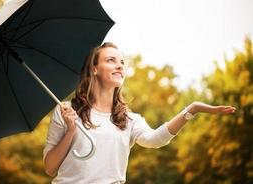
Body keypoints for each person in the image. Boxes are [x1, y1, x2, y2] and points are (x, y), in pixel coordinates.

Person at [43, 42, 236, 184]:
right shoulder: (66, 111)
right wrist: (70, 131)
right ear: (94, 69)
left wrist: (191, 109)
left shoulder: (128, 119)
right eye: (111, 60)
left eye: (122, 62)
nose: (120, 66)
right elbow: (50, 168)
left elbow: (155, 140)